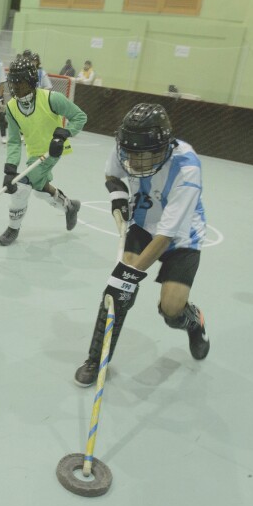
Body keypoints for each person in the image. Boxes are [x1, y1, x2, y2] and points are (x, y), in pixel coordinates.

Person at [73, 103, 210, 387]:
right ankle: (96, 359)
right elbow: (112, 176)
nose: (134, 162)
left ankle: (194, 322)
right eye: (130, 154)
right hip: (142, 223)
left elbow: (165, 237)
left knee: (171, 310)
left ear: (164, 147)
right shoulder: (126, 146)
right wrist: (118, 198)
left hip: (181, 236)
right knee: (117, 294)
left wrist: (130, 276)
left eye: (144, 155)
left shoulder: (187, 168)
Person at [0, 56, 86, 246]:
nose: (16, 87)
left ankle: (13, 228)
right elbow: (13, 141)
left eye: (20, 82)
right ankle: (69, 206)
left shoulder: (52, 98)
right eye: (13, 82)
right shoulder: (11, 108)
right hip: (34, 153)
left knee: (21, 187)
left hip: (52, 150)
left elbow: (79, 116)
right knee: (39, 189)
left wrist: (64, 133)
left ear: (31, 81)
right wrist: (10, 169)